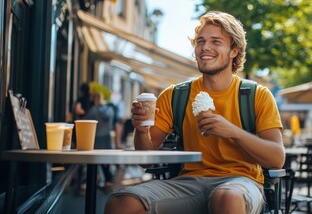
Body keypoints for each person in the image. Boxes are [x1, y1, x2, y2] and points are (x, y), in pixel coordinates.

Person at [105, 11, 285, 214]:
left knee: (226, 197)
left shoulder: (256, 95)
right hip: (190, 182)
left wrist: (233, 131)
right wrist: (140, 129)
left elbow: (276, 158)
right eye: (200, 41)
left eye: (216, 42)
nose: (205, 47)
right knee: (121, 203)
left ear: (234, 50)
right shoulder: (175, 95)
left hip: (242, 183)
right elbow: (145, 156)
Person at [85, 91, 116, 192]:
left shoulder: (93, 110)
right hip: (107, 137)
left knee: (95, 160)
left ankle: (95, 181)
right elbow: (113, 123)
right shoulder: (110, 110)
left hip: (96, 138)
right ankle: (108, 182)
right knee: (106, 161)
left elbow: (86, 122)